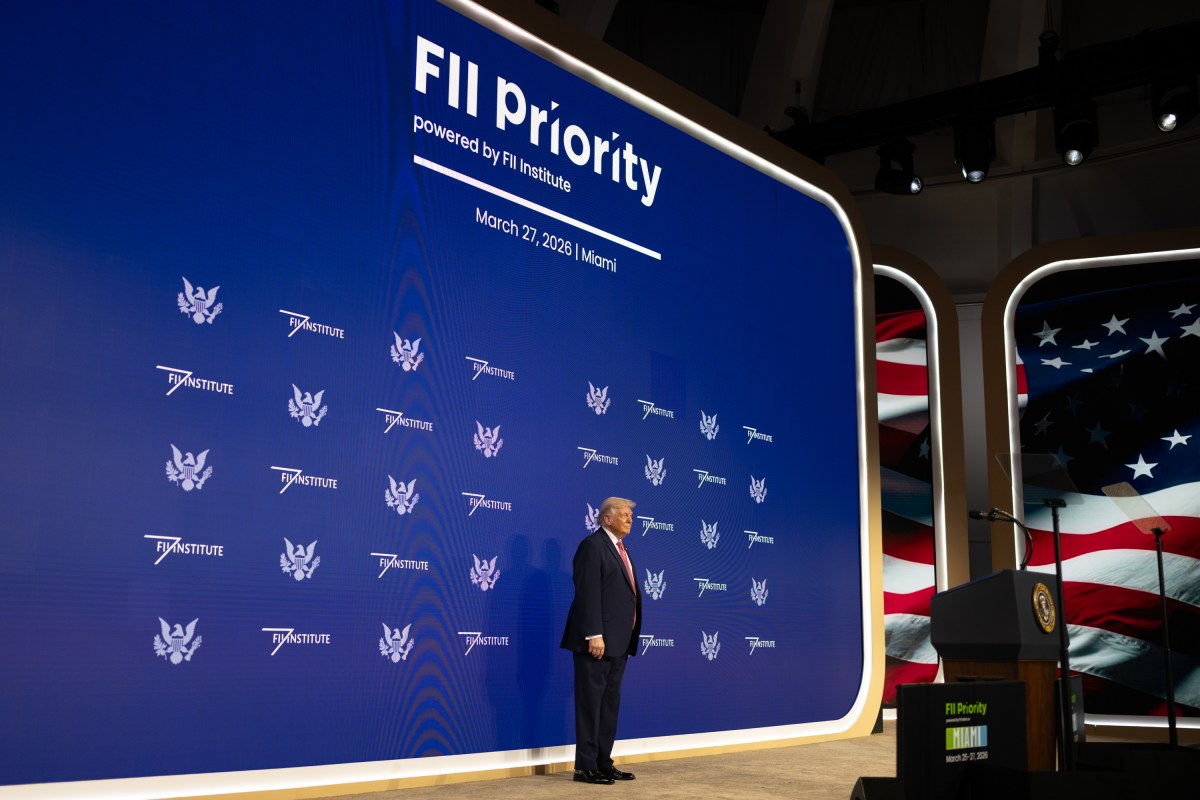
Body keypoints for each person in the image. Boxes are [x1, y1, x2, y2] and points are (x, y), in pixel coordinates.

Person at [560, 496, 643, 784]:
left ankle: (602, 763)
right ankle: (585, 767)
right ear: (606, 519)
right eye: (623, 515)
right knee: (590, 705)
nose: (629, 519)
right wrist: (594, 634)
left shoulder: (621, 548)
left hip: (619, 642)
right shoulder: (592, 546)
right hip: (596, 642)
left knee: (609, 705)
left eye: (630, 516)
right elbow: (587, 593)